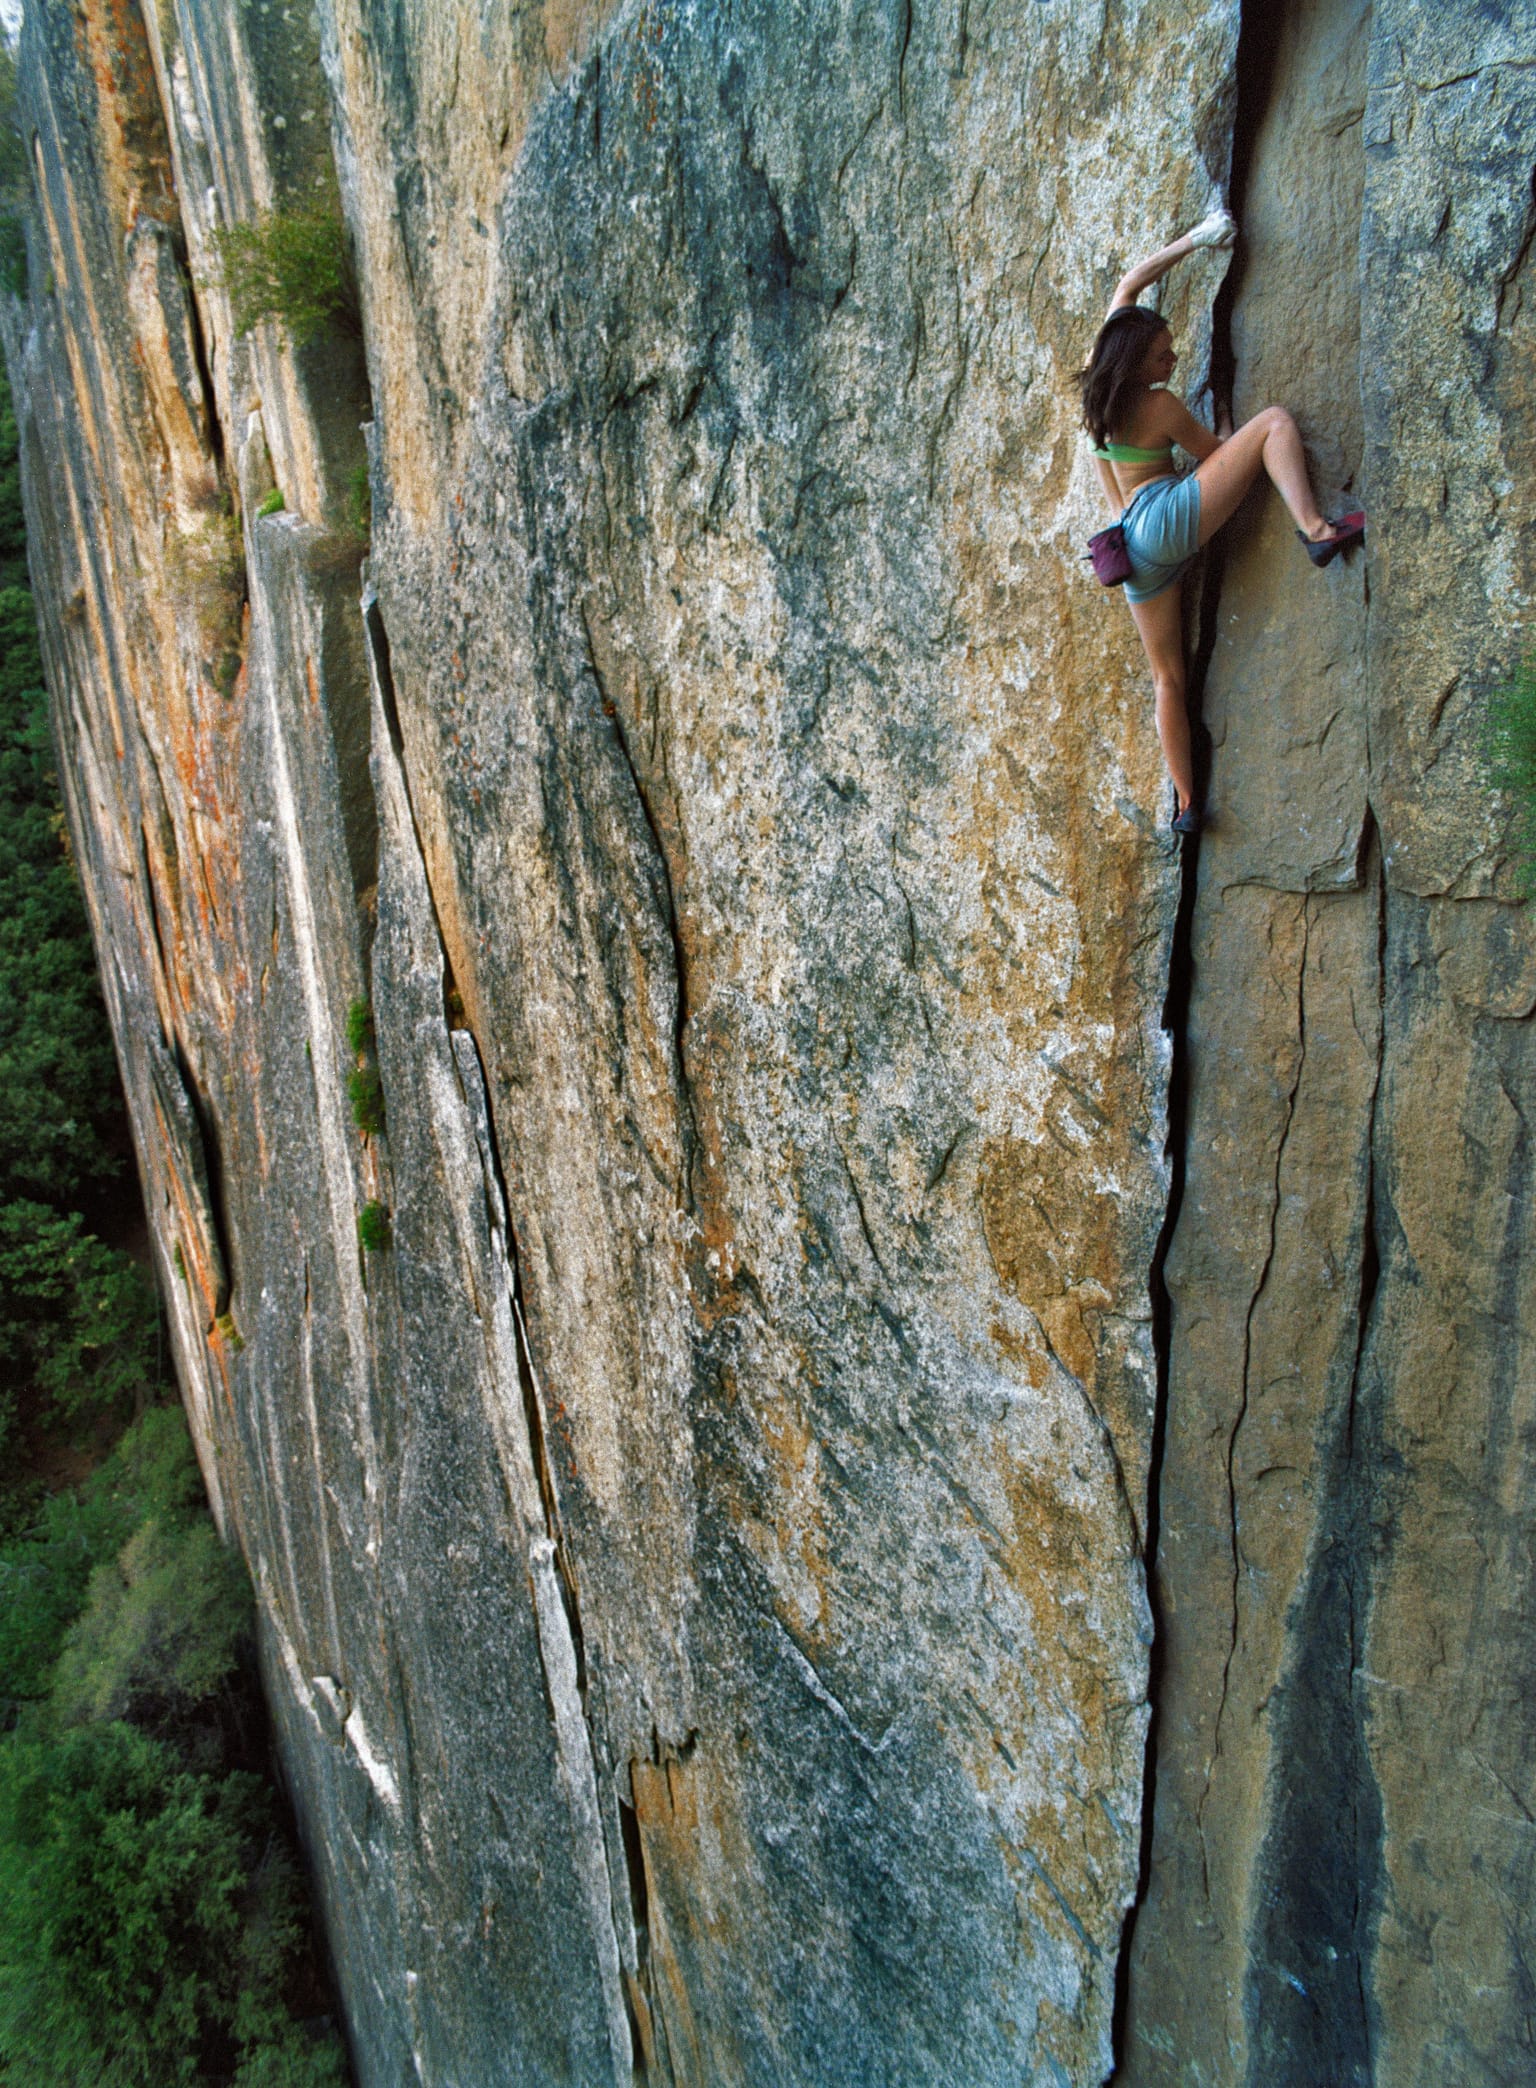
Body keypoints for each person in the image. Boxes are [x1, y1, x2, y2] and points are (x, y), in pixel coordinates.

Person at [1080, 211, 1364, 834]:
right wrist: (1232, 424)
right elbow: (1220, 457)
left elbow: (1128, 286)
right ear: (1140, 361)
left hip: (1130, 545)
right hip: (1165, 522)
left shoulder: (1101, 383)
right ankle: (1316, 530)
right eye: (1163, 354)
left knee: (1167, 676)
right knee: (1275, 425)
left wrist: (1194, 241)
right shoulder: (1156, 403)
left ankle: (1185, 801)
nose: (1172, 358)